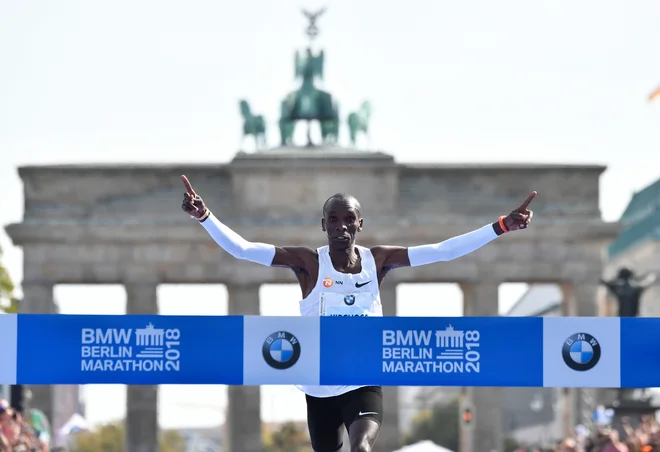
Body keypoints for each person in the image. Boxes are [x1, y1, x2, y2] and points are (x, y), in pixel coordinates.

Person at [180, 175, 536, 452]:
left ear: (360, 224)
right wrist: (205, 217)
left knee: (361, 445)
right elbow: (243, 250)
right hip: (319, 384)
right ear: (323, 225)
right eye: (333, 220)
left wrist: (501, 226)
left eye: (349, 219)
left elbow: (442, 251)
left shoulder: (377, 261)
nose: (341, 227)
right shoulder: (308, 263)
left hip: (363, 377)